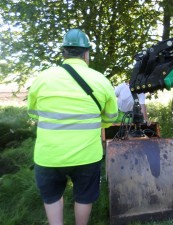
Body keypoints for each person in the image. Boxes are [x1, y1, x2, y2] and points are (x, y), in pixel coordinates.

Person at [27, 28, 118, 225]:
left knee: (52, 196)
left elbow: (34, 113)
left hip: (49, 155)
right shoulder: (100, 80)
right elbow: (111, 117)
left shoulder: (43, 78)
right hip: (87, 155)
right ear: (86, 54)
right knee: (84, 196)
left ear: (64, 53)